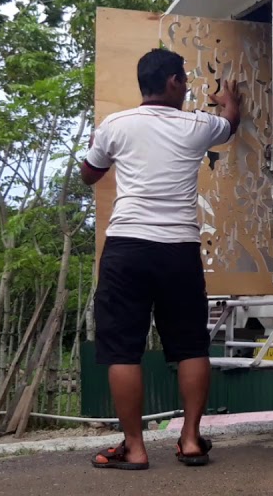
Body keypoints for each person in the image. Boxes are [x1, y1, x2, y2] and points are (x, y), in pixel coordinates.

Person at [80, 47, 242, 470]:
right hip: (179, 251)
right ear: (171, 82)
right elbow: (230, 126)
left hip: (127, 248)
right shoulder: (198, 125)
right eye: (184, 80)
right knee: (190, 345)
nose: (187, 87)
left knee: (123, 350)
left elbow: (89, 172)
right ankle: (189, 440)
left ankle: (134, 448)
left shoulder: (115, 124)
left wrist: (109, 157)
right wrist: (232, 103)